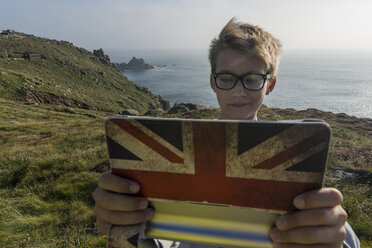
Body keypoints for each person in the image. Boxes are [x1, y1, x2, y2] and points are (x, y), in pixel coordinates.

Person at [93, 18, 360, 248]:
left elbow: (337, 234)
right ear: (213, 82)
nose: (238, 91)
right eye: (226, 78)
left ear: (270, 85)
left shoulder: (296, 155)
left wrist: (336, 238)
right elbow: (168, 237)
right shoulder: (187, 151)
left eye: (253, 79)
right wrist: (127, 226)